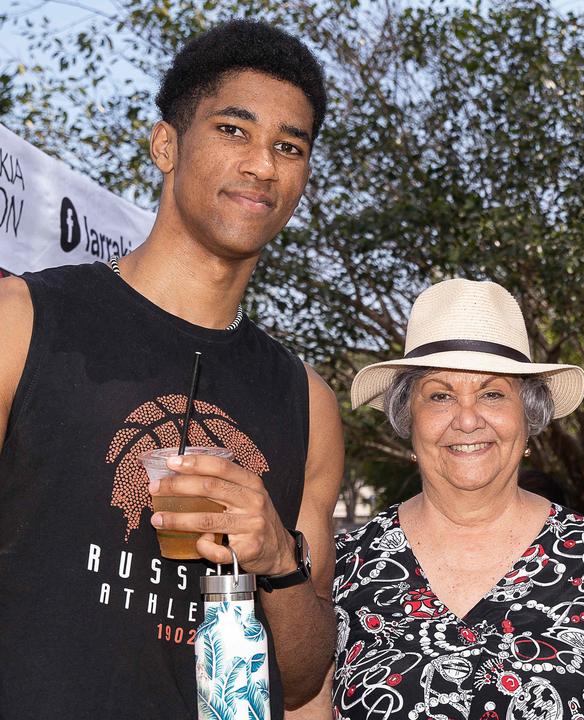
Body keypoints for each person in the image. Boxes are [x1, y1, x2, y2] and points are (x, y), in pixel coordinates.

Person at [0, 21, 343, 717]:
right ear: (166, 144)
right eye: (234, 131)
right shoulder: (23, 321)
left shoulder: (308, 403)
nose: (263, 165)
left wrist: (279, 558)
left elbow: (304, 678)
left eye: (289, 146)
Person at [332, 278, 584, 720]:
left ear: (528, 419)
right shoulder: (344, 568)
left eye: (492, 393)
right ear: (407, 421)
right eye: (440, 395)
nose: (468, 419)